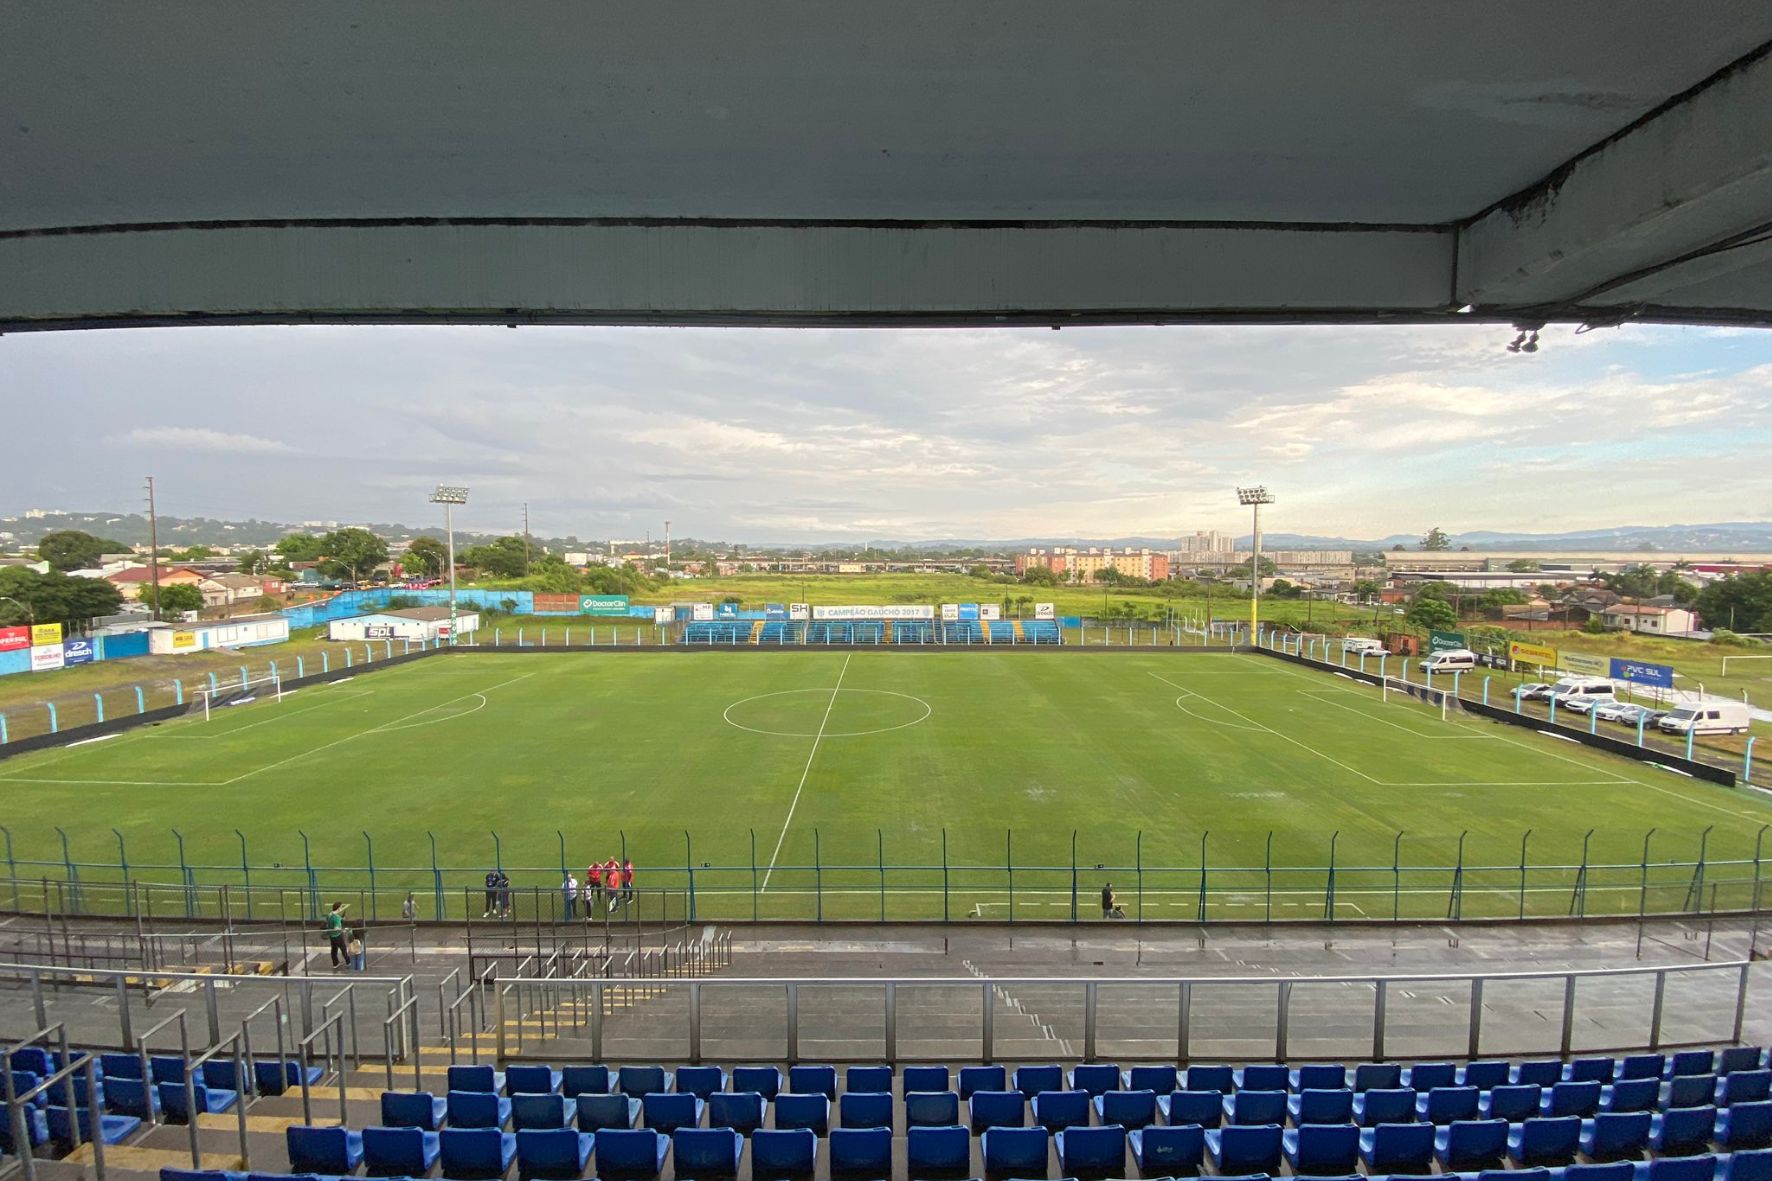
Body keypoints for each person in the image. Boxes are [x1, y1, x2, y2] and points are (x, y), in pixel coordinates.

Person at [325, 902, 349, 967]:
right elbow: (336, 928)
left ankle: (335, 963)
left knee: (334, 950)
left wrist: (341, 919)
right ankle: (348, 962)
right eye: (341, 907)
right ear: (338, 908)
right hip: (338, 936)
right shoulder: (336, 918)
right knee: (343, 949)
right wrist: (343, 930)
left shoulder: (330, 915)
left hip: (331, 936)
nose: (341, 909)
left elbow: (330, 921)